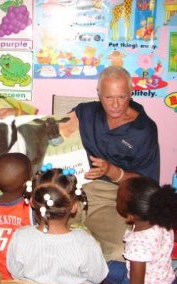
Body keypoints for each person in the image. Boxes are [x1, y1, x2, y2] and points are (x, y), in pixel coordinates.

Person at [58, 66, 160, 262]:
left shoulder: (144, 130)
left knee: (125, 251)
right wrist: (17, 113)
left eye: (122, 97)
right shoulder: (86, 113)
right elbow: (50, 130)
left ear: (131, 93)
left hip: (113, 197)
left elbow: (146, 183)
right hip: (73, 190)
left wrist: (114, 172)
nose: (115, 105)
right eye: (108, 98)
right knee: (42, 233)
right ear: (98, 94)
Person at [6, 167, 109, 284]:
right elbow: (98, 275)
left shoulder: (20, 237)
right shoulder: (85, 242)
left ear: (32, 202)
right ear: (74, 207)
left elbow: (16, 273)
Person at [104, 177, 177, 284]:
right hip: (162, 281)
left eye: (118, 200)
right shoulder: (164, 220)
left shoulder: (138, 245)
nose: (116, 200)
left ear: (130, 216)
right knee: (105, 267)